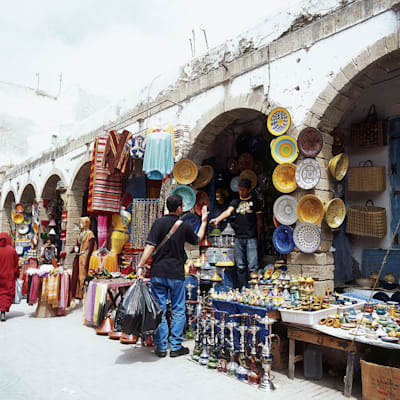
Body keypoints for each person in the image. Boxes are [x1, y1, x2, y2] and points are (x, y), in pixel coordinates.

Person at [136, 194, 208, 358]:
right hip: (176, 274)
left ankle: (161, 347)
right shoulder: (184, 226)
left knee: (159, 309)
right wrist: (203, 220)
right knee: (178, 309)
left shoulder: (158, 223)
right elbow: (197, 240)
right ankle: (175, 346)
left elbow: (149, 246)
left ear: (168, 207)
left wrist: (140, 265)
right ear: (179, 208)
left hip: (158, 273)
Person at [210, 178, 262, 289]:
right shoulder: (235, 201)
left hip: (251, 237)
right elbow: (228, 212)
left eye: (243, 190)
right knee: (240, 266)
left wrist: (258, 234)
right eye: (239, 190)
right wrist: (217, 219)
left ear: (249, 190)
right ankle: (243, 288)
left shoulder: (255, 202)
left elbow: (258, 219)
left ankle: (254, 290)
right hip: (238, 237)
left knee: (253, 266)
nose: (241, 192)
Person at [0, 232, 19, 321]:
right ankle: (3, 311)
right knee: (6, 294)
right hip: (8, 276)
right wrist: (17, 274)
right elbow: (16, 264)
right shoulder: (12, 250)